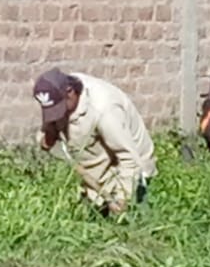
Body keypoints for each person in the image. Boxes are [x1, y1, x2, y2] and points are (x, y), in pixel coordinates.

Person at [33, 68, 156, 217]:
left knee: (129, 230)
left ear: (70, 92)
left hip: (130, 175)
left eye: (59, 109)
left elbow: (128, 158)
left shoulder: (104, 111)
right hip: (97, 177)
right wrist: (47, 136)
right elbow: (49, 138)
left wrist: (123, 198)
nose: (57, 115)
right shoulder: (61, 92)